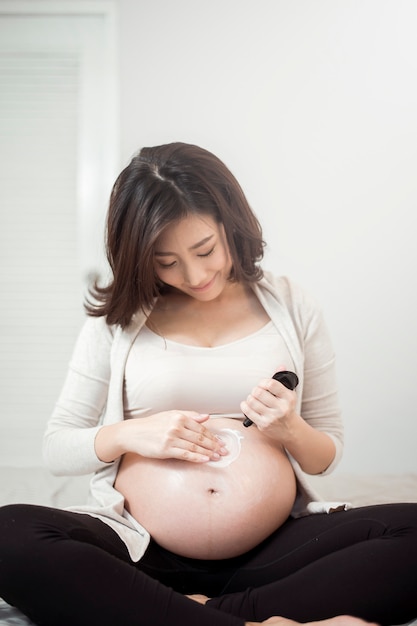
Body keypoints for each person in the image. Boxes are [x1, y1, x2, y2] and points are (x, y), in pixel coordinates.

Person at [0, 142, 416, 626]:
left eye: (205, 250)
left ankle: (194, 615)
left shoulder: (292, 305)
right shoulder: (116, 320)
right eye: (166, 261)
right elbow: (57, 448)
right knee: (9, 534)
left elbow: (325, 454)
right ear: (138, 254)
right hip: (141, 549)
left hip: (272, 552)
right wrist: (132, 434)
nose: (195, 275)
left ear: (230, 225)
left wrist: (289, 430)